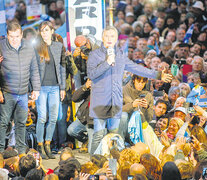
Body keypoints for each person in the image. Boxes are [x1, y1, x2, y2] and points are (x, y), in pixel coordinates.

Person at [87, 26, 172, 154]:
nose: (109, 39)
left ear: (116, 39)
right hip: (100, 100)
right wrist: (107, 62)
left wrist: (159, 75)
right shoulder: (94, 55)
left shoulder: (120, 56)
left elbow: (138, 69)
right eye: (107, 36)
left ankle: (112, 165)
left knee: (114, 135)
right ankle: (93, 164)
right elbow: (92, 75)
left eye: (112, 36)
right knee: (99, 134)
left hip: (115, 100)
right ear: (102, 37)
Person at [0, 20, 40, 156]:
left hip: (23, 93)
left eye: (17, 36)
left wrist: (36, 88)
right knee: (4, 123)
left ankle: (21, 152)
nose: (14, 40)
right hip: (6, 92)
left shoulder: (28, 47)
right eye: (11, 36)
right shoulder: (1, 46)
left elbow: (34, 68)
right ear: (6, 35)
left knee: (21, 123)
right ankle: (0, 152)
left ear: (21, 34)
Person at [35, 21, 66, 159]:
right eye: (42, 31)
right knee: (42, 117)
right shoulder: (36, 47)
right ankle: (40, 145)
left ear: (52, 31)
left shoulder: (59, 46)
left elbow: (62, 67)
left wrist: (62, 87)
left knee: (53, 118)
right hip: (41, 87)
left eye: (47, 30)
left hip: (55, 87)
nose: (44, 33)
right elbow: (33, 69)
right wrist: (33, 88)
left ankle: (48, 144)